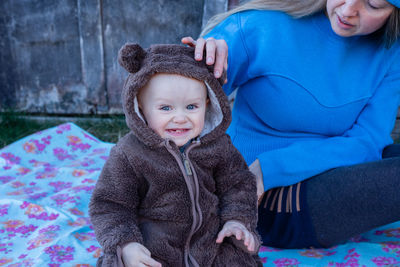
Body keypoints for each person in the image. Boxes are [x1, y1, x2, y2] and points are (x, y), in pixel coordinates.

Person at [182, 0, 400, 249]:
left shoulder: (391, 52)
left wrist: (270, 169)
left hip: (319, 170)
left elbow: (369, 141)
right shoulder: (260, 25)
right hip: (254, 193)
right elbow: (175, 103)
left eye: (373, 4)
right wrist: (199, 73)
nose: (349, 9)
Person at [89, 43, 262, 267]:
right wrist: (126, 245)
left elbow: (238, 184)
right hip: (154, 249)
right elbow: (110, 204)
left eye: (191, 107)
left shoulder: (218, 147)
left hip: (210, 243)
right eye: (166, 108)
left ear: (207, 104)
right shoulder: (129, 154)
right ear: (141, 108)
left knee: (239, 257)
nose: (180, 118)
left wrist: (236, 220)